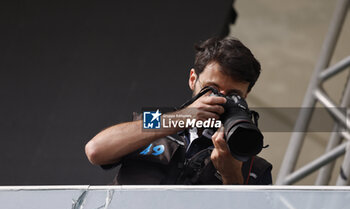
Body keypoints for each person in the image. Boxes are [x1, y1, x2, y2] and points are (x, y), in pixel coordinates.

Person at [85, 37, 272, 185]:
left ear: (246, 95)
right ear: (193, 79)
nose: (220, 99)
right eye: (211, 88)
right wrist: (180, 118)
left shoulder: (253, 166)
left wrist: (232, 177)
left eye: (233, 94)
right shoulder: (153, 120)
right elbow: (95, 150)